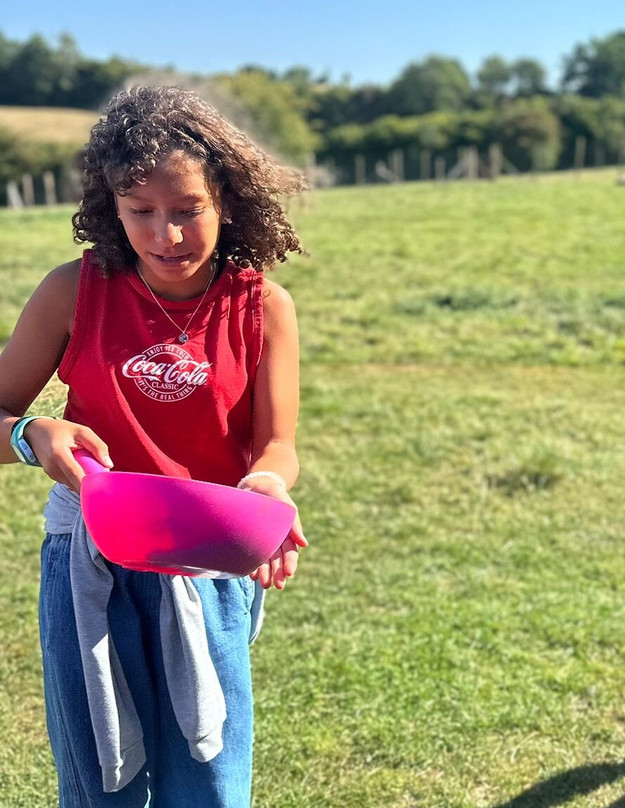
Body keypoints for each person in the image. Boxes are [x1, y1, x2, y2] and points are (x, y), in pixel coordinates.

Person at [0, 85, 308, 806]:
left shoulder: (263, 306)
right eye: (141, 212)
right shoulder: (71, 292)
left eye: (187, 210)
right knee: (102, 778)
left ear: (226, 201)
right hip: (90, 559)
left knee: (208, 779)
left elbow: (277, 446)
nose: (166, 234)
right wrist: (30, 433)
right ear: (112, 207)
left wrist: (267, 486)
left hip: (211, 559)